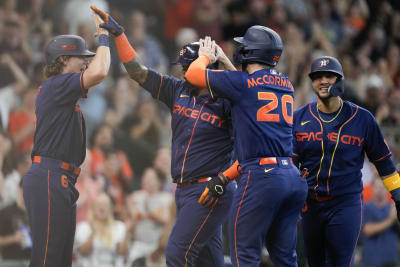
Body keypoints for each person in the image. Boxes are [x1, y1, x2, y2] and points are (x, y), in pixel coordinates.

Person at [91, 6, 240, 266]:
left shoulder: (227, 100)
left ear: (206, 66)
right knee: (211, 261)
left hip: (210, 188)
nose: (183, 72)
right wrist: (118, 35)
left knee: (176, 254)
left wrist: (223, 61)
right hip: (183, 190)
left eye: (188, 66)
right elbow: (137, 71)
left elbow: (250, 97)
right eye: (181, 66)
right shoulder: (177, 89)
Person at [185, 26, 308, 267]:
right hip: (291, 178)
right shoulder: (286, 85)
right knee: (285, 259)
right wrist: (224, 60)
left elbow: (193, 74)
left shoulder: (243, 84)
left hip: (261, 179)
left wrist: (207, 57)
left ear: (249, 52)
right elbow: (248, 87)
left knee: (245, 257)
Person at [22, 8, 111, 267]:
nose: (85, 61)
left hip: (60, 180)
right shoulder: (56, 85)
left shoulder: (61, 91)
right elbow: (100, 72)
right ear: (62, 60)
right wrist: (103, 36)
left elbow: (97, 71)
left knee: (60, 261)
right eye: (79, 57)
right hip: (48, 177)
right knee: (47, 260)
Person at [292, 56, 400, 267]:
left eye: (329, 76)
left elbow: (385, 164)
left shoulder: (363, 119)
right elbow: (290, 164)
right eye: (317, 77)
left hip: (345, 203)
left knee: (340, 263)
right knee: (315, 263)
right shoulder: (299, 118)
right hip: (310, 204)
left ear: (340, 80)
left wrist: (397, 195)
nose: (323, 81)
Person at [362, 177, 399, 267]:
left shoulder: (393, 208)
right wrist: (390, 220)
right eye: (377, 187)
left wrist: (397, 217)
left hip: (391, 259)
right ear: (372, 188)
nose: (380, 190)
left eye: (382, 187)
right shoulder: (367, 207)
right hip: (372, 261)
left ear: (387, 190)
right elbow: (368, 230)